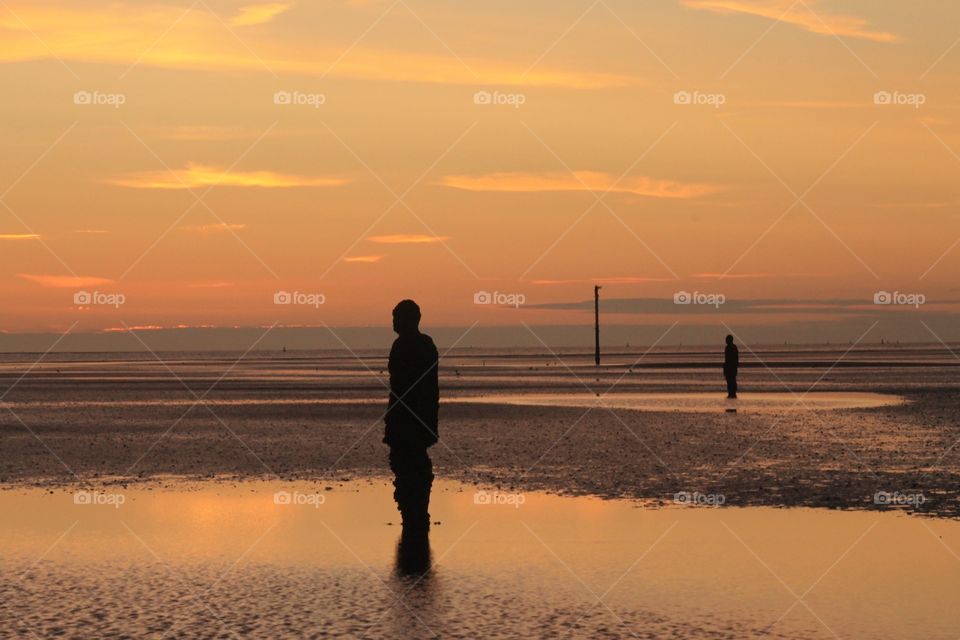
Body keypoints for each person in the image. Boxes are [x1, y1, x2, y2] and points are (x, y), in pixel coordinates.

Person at [384, 299, 439, 535]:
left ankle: (414, 518)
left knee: (408, 469)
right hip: (419, 418)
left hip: (408, 420)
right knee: (412, 468)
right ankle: (415, 518)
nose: (393, 322)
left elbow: (401, 386)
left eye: (396, 318)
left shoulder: (406, 346)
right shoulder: (425, 345)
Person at [723, 334, 739, 399]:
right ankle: (732, 393)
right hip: (732, 367)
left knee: (730, 381)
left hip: (730, 367)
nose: (725, 341)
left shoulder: (729, 348)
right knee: (732, 380)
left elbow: (728, 359)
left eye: (726, 340)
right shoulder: (734, 347)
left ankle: (732, 393)